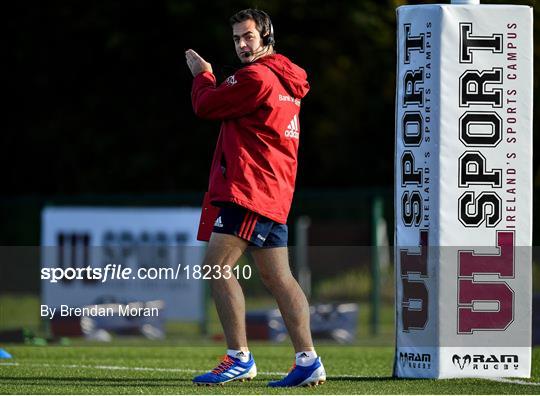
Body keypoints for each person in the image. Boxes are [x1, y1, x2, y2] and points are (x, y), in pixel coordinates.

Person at [185, 8, 325, 388]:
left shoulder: (256, 78)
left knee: (216, 266)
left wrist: (203, 75)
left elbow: (206, 105)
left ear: (266, 36)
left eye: (248, 37)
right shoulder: (285, 78)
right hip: (273, 190)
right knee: (279, 278)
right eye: (236, 39)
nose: (243, 45)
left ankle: (238, 357)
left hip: (250, 190)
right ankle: (308, 360)